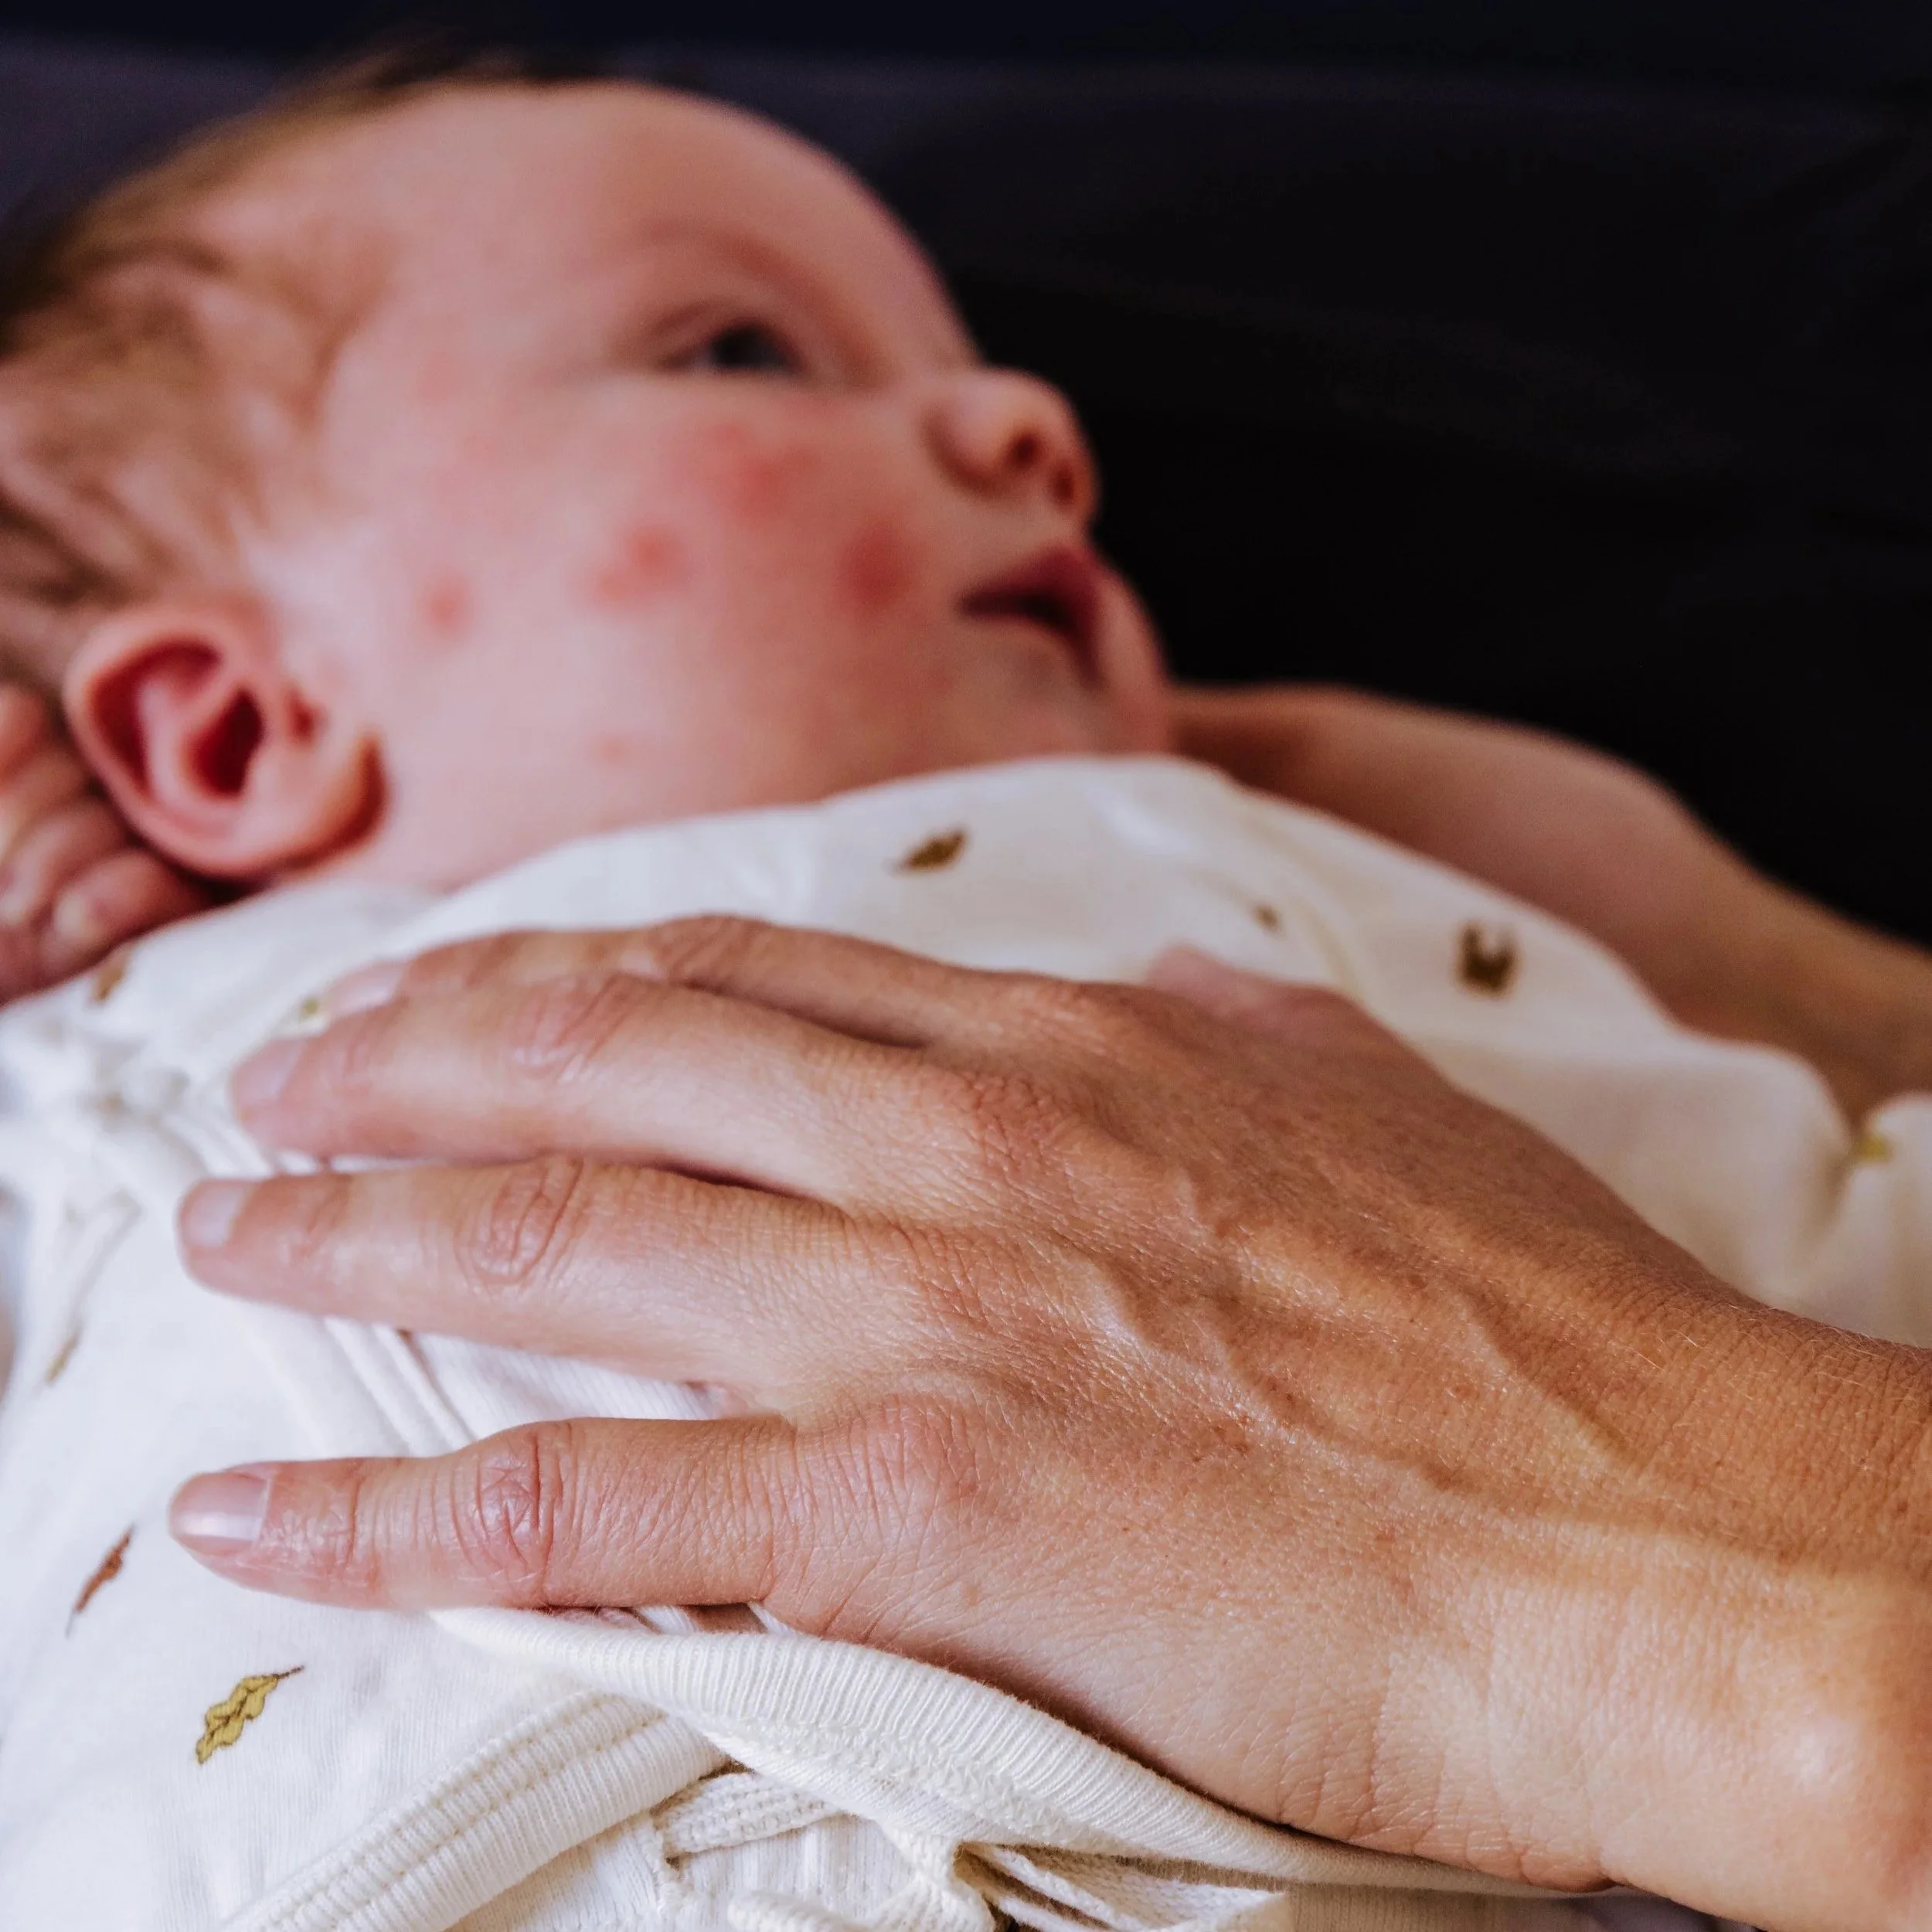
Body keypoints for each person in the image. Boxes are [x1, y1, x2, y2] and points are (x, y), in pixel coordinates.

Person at [2, 64, 1932, 1932]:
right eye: (739, 350)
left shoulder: (1261, 910)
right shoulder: (120, 1036)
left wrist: (1726, 963)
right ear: (234, 724)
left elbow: (1831, 1260)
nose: (1031, 422)